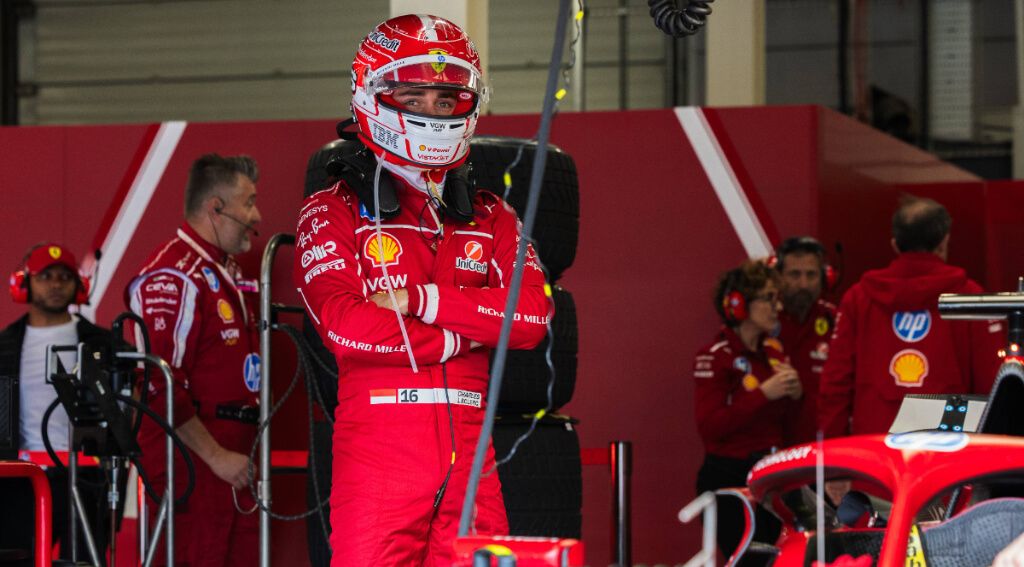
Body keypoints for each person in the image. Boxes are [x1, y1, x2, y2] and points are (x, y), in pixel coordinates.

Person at [294, 14, 549, 565]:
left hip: (473, 461)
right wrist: (466, 336)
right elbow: (346, 326)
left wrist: (423, 302)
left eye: (446, 99)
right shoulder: (331, 210)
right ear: (373, 94)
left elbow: (530, 321)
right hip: (379, 458)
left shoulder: (492, 215)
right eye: (414, 96)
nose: (433, 112)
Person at [127, 154, 262, 566]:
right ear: (216, 208)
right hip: (195, 463)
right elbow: (156, 382)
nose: (257, 214)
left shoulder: (224, 270)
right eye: (249, 202)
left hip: (235, 460)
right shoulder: (174, 274)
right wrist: (217, 457)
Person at [818, 196, 1003, 440]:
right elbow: (993, 386)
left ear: (895, 244)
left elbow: (835, 385)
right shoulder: (971, 297)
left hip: (874, 455)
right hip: (949, 453)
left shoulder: (858, 298)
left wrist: (834, 460)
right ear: (944, 241)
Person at [0, 242, 110, 562]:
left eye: (64, 276)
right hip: (21, 480)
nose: (56, 284)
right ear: (24, 283)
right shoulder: (5, 346)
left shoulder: (103, 344)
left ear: (79, 285)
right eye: (45, 276)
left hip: (86, 479)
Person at [692, 260, 802, 562]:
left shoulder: (775, 353)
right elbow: (710, 427)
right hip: (728, 478)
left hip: (772, 478)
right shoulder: (715, 357)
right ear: (738, 305)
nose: (776, 306)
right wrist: (763, 395)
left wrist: (796, 395)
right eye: (768, 298)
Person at [772, 236, 837, 445]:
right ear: (779, 277)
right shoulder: (762, 320)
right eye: (794, 274)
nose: (803, 284)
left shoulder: (836, 320)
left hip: (817, 446)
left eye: (811, 275)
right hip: (767, 447)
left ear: (824, 278)